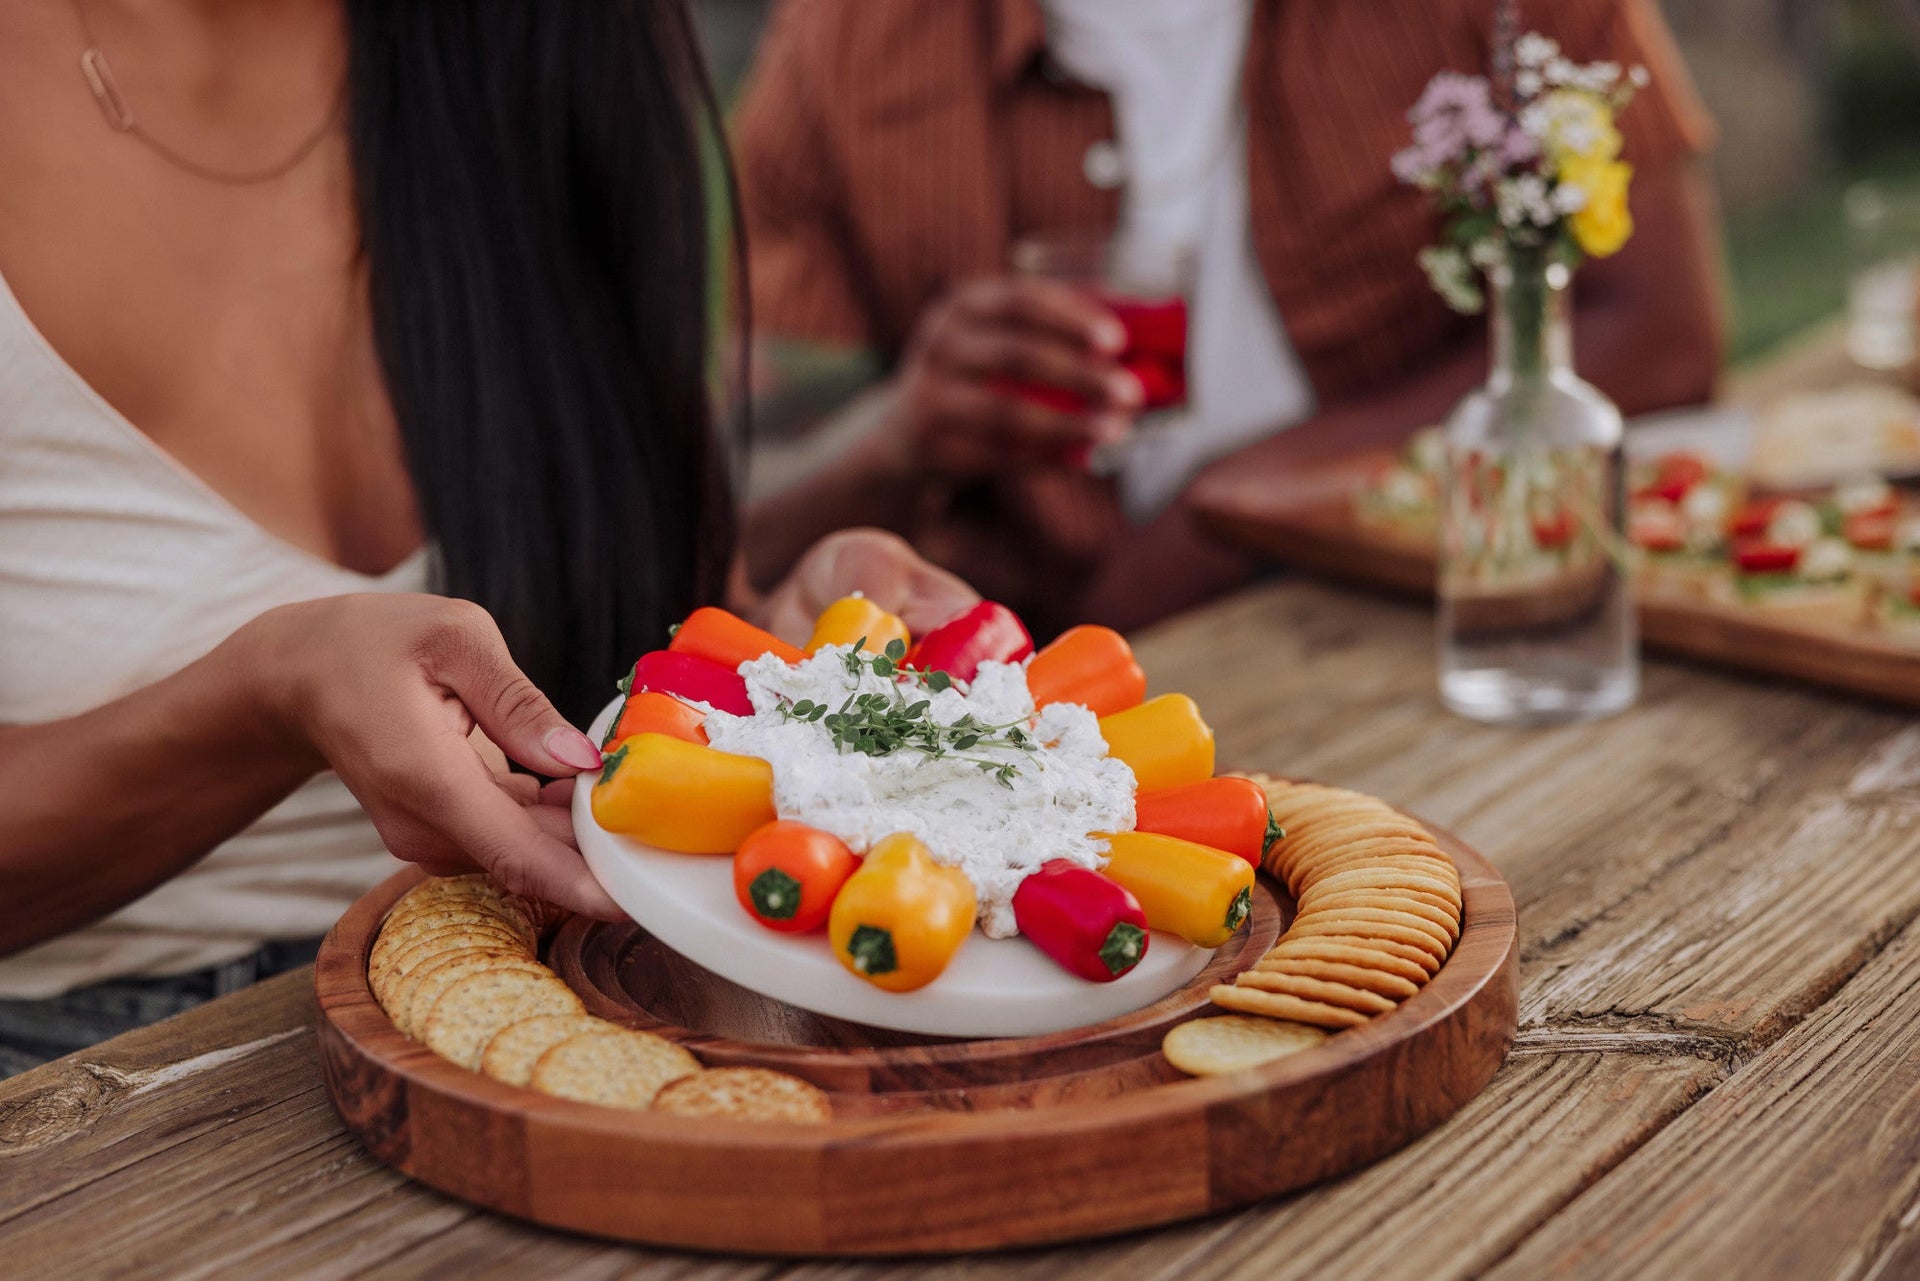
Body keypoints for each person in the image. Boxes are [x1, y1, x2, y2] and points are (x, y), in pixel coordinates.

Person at [0, 0, 974, 1076]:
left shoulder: (552, 36)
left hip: (581, 991)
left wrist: (772, 662)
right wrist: (270, 695)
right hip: (83, 1073)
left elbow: (643, 627)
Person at [732, 0, 1725, 635]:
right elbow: (746, 502)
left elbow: (1660, 329)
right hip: (1029, 712)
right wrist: (902, 437)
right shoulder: (840, 44)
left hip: (1437, 627)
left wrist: (1230, 510)